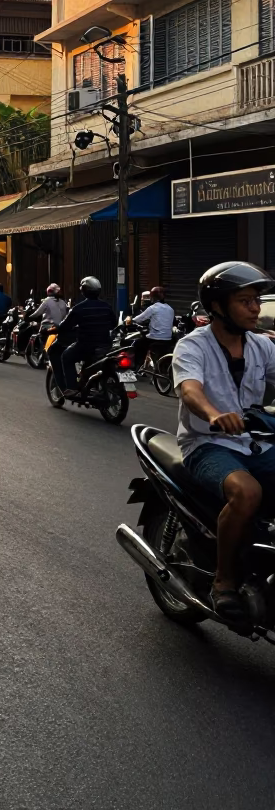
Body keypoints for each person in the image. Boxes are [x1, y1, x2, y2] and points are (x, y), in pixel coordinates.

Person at [173, 261, 275, 624]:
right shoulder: (192, 346)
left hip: (254, 442)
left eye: (256, 301)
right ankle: (224, 581)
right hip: (206, 444)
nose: (255, 308)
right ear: (217, 306)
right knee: (247, 493)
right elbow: (189, 389)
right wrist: (214, 413)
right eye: (245, 301)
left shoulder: (262, 346)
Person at [49, 276, 115, 398]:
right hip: (106, 345)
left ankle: (72, 388)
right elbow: (114, 324)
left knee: (66, 356)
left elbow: (65, 326)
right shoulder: (107, 306)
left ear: (83, 291)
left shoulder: (79, 308)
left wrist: (55, 328)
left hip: (86, 346)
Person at [125, 284, 174, 370]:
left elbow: (139, 319)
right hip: (168, 339)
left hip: (155, 338)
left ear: (153, 297)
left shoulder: (153, 308)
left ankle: (137, 366)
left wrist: (130, 320)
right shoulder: (170, 309)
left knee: (138, 344)